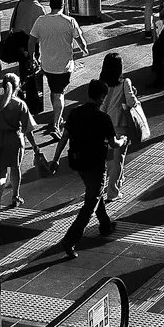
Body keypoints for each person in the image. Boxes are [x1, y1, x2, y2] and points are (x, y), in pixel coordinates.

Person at [57, 80, 119, 259]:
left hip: (78, 163)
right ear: (101, 97)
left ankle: (105, 225)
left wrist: (55, 159)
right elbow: (114, 143)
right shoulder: (103, 117)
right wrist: (123, 140)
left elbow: (65, 137)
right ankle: (70, 240)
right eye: (104, 97)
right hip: (95, 165)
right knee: (90, 204)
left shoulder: (75, 112)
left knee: (94, 193)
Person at [30, 0, 88, 125]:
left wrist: (33, 57)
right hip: (64, 66)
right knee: (59, 93)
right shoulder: (69, 21)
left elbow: (31, 40)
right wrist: (84, 49)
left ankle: (58, 116)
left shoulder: (40, 20)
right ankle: (56, 123)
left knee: (54, 90)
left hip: (47, 65)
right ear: (63, 5)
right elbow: (81, 41)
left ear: (50, 5)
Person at [97, 54, 144, 203]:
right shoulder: (125, 82)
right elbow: (131, 102)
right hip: (121, 125)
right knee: (118, 159)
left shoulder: (101, 82)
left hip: (104, 124)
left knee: (106, 158)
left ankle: (107, 185)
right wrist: (135, 97)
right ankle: (113, 192)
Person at [0, 73, 41, 211]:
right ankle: (15, 196)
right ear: (18, 86)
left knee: (0, 172)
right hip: (15, 140)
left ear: (3, 86)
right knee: (15, 169)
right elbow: (28, 129)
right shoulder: (20, 104)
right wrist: (35, 147)